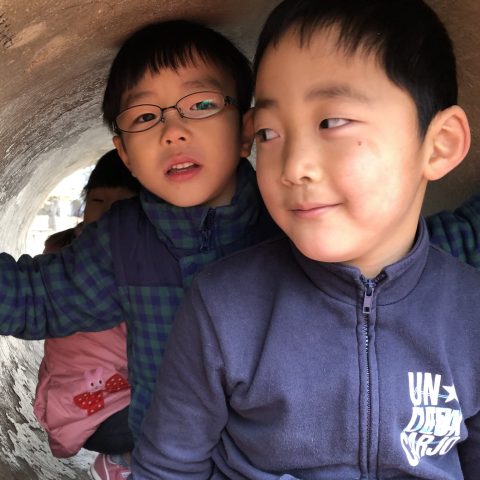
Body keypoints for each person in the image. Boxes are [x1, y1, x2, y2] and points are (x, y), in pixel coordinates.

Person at [131, 1, 480, 478]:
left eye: (331, 122)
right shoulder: (223, 306)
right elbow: (168, 467)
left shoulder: (470, 313)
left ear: (439, 145)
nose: (293, 166)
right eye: (269, 133)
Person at [0, 19, 279, 480]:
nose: (173, 130)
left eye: (201, 104)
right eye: (145, 117)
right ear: (125, 154)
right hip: (167, 466)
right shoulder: (122, 242)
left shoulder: (288, 224)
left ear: (246, 130)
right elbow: (39, 297)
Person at [34, 150, 140, 467]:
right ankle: (123, 462)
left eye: (122, 205)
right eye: (98, 201)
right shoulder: (72, 259)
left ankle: (124, 460)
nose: (107, 213)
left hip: (76, 411)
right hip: (106, 415)